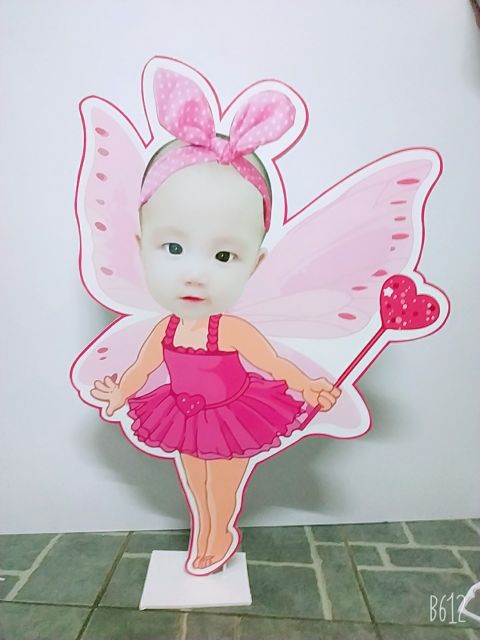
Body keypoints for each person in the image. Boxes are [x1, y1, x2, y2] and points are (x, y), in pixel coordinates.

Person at [90, 68, 341, 574]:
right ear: (141, 246)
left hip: (231, 415)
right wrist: (120, 393)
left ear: (255, 263)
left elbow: (272, 364)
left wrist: (310, 385)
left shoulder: (229, 329)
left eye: (224, 256)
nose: (196, 273)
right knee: (195, 480)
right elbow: (141, 369)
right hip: (183, 414)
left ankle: (218, 533)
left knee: (221, 483)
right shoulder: (164, 330)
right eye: (173, 247)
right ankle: (205, 530)